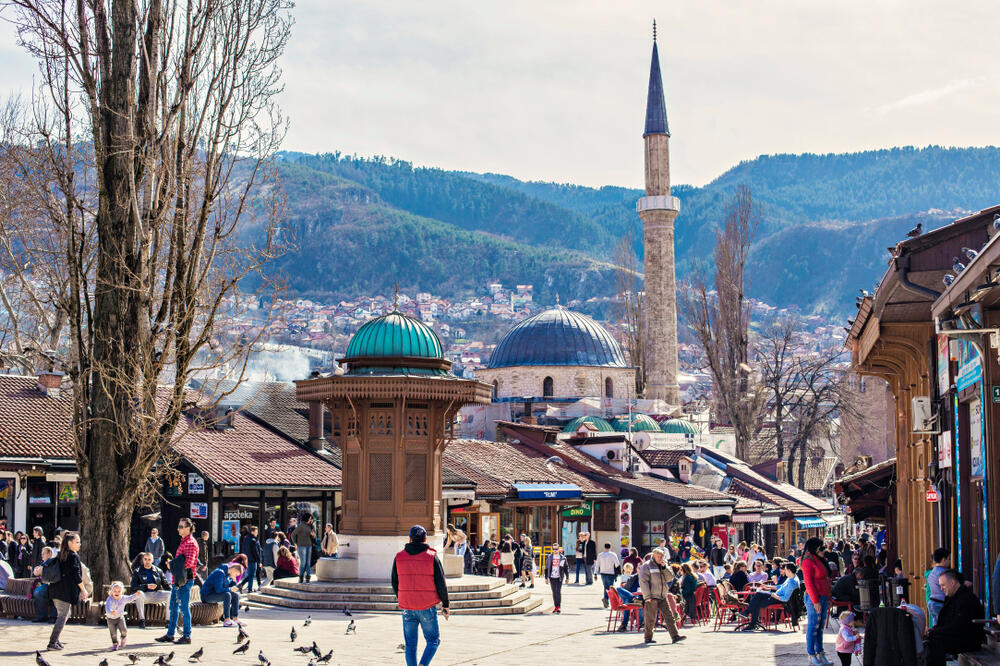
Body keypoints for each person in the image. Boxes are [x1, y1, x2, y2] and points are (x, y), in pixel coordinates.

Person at [391, 525, 450, 666]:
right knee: (433, 640)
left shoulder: (399, 557)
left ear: (409, 539)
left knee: (410, 644)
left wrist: (403, 598)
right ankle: (423, 664)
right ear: (425, 539)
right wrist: (446, 605)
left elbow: (394, 582)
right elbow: (441, 582)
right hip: (426, 606)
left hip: (407, 606)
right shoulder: (432, 557)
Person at [926, 569, 985, 666]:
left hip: (970, 640)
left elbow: (958, 626)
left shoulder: (966, 599)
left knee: (936, 641)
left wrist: (935, 631)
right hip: (960, 636)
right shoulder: (952, 597)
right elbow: (946, 622)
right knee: (931, 638)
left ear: (952, 583)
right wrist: (933, 630)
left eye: (943, 585)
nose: (941, 588)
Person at [156, 517, 199, 645]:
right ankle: (170, 635)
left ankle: (187, 636)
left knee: (184, 608)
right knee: (173, 607)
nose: (178, 529)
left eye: (181, 527)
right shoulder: (184, 541)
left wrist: (171, 565)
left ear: (188, 528)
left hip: (184, 581)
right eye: (178, 526)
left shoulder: (190, 542)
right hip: (178, 580)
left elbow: (188, 563)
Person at [46, 531, 87, 651]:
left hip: (55, 589)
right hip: (64, 591)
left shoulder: (61, 554)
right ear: (69, 543)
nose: (79, 544)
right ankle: (52, 642)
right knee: (62, 616)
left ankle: (56, 640)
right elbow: (77, 575)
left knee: (64, 614)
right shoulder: (73, 556)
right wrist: (83, 590)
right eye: (77, 542)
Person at [638, 547, 685, 645]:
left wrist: (664, 568)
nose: (660, 559)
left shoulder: (664, 565)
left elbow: (670, 578)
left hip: (663, 595)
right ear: (653, 556)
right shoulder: (646, 566)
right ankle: (648, 638)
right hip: (652, 596)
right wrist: (647, 596)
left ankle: (675, 636)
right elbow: (643, 582)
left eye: (662, 557)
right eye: (659, 557)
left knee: (669, 617)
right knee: (650, 618)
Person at [739, 562, 800, 631]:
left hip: (779, 599)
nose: (784, 571)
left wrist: (775, 595)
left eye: (785, 569)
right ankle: (748, 615)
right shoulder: (791, 578)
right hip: (776, 595)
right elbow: (781, 587)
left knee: (756, 602)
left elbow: (785, 598)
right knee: (758, 594)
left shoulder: (792, 582)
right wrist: (768, 587)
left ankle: (752, 622)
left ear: (789, 570)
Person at [801, 537, 833, 666]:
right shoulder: (808, 561)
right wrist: (815, 601)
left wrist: (829, 598)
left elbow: (826, 580)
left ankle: (820, 653)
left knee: (819, 628)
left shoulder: (819, 560)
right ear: (814, 548)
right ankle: (812, 654)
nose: (823, 550)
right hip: (815, 598)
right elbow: (809, 583)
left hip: (823, 597)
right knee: (813, 626)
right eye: (821, 548)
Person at [129, 551, 170, 629]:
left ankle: (168, 621)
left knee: (170, 594)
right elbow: (133, 587)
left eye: (149, 559)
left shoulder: (158, 571)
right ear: (142, 560)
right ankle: (142, 620)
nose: (147, 561)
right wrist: (146, 586)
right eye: (145, 559)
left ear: (152, 560)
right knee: (139, 593)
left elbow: (165, 584)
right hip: (144, 595)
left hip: (156, 594)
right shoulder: (137, 571)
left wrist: (174, 591)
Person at [200, 562, 244, 627]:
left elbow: (228, 586)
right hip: (206, 595)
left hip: (214, 594)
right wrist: (230, 589)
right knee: (227, 595)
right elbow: (219, 589)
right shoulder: (220, 573)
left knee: (235, 595)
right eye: (236, 574)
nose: (236, 576)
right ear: (234, 569)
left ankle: (235, 618)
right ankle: (226, 620)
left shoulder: (227, 575)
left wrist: (234, 581)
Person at [105, 581, 142, 651]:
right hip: (110, 619)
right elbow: (107, 606)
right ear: (111, 591)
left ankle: (123, 637)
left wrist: (136, 594)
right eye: (115, 591)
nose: (117, 593)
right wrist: (110, 611)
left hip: (120, 618)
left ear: (122, 592)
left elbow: (130, 598)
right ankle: (115, 643)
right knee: (113, 633)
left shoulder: (123, 598)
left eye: (119, 591)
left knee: (124, 630)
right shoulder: (109, 599)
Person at [31, 546, 56, 623]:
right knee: (38, 592)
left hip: (55, 585)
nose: (42, 556)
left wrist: (37, 569)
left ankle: (53, 617)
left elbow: (36, 572)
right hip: (48, 585)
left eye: (43, 554)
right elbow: (35, 573)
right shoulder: (45, 562)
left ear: (49, 554)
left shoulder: (52, 561)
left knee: (56, 594)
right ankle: (42, 616)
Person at [926, 547, 950, 625]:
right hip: (941, 603)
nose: (949, 562)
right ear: (943, 560)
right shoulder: (944, 573)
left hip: (932, 602)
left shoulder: (931, 573)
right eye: (948, 559)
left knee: (937, 627)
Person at [291, 513, 316, 583]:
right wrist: (295, 543)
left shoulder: (310, 526)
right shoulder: (301, 526)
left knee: (308, 562)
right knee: (303, 562)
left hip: (309, 546)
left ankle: (308, 576)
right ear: (307, 518)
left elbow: (314, 537)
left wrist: (313, 535)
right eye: (310, 518)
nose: (311, 519)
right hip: (301, 546)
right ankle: (301, 576)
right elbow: (293, 534)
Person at [544, 541, 568, 613]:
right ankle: (556, 606)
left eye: (556, 549)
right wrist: (546, 578)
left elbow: (566, 568)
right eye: (554, 549)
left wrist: (567, 577)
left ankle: (558, 606)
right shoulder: (549, 557)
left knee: (558, 591)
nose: (555, 550)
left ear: (559, 549)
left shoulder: (563, 558)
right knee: (554, 592)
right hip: (552, 576)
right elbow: (546, 568)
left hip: (559, 576)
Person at [595, 542, 620, 608]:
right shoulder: (613, 555)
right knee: (610, 588)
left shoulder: (600, 555)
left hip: (603, 573)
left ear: (604, 547)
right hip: (610, 573)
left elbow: (597, 565)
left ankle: (606, 599)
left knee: (605, 587)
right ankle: (607, 600)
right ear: (610, 547)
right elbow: (617, 564)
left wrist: (595, 573)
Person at [239, 525, 262, 593]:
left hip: (247, 559)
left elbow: (243, 549)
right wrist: (259, 561)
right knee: (252, 575)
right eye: (256, 532)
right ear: (252, 532)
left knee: (250, 574)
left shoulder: (246, 538)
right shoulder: (253, 540)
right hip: (252, 560)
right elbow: (255, 552)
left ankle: (241, 584)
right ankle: (249, 589)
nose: (257, 533)